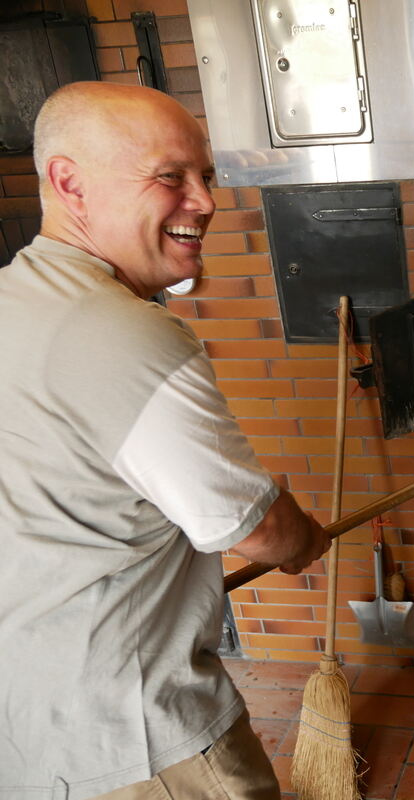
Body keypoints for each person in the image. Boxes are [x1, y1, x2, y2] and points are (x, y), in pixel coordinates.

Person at [0, 82, 330, 798]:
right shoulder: (120, 331)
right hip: (137, 735)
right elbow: (255, 528)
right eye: (169, 176)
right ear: (69, 183)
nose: (206, 201)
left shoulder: (12, 301)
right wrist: (304, 540)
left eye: (205, 176)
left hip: (30, 723)